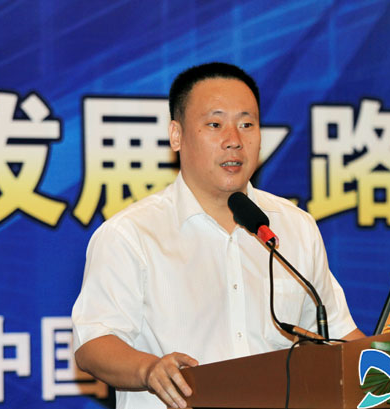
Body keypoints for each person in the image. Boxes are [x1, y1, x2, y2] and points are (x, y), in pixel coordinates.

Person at [72, 62, 364, 409]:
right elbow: (94, 342)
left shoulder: (294, 226)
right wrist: (148, 369)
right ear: (176, 135)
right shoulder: (131, 234)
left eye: (247, 124)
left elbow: (339, 336)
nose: (234, 141)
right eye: (215, 124)